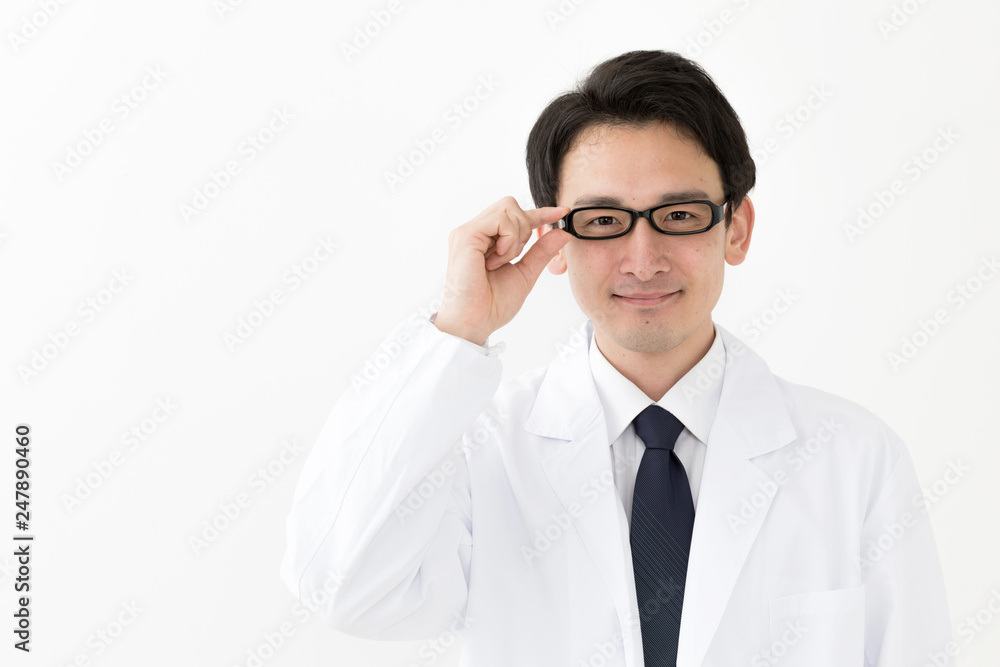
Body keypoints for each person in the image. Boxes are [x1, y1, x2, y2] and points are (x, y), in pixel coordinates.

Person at [280, 50, 953, 667]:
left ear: (737, 227)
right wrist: (457, 329)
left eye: (680, 214)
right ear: (557, 241)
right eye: (602, 221)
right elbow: (343, 585)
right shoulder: (484, 453)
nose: (642, 258)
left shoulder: (854, 458)